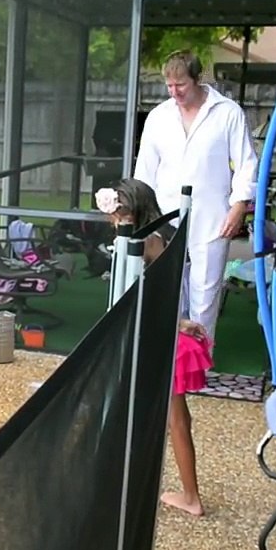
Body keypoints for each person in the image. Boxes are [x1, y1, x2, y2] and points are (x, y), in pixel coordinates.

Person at [96, 180, 211, 517]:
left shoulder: (143, 242)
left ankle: (190, 497)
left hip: (155, 338)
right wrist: (180, 322)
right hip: (163, 333)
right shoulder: (157, 236)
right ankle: (184, 492)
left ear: (136, 211)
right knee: (174, 418)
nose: (117, 221)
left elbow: (154, 296)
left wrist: (176, 324)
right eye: (116, 214)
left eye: (122, 214)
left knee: (171, 418)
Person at [133, 50, 258, 341]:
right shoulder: (158, 117)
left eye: (181, 85)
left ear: (197, 79)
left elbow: (246, 164)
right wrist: (142, 215)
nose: (174, 92)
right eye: (169, 85)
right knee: (167, 292)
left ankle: (200, 358)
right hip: (164, 218)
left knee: (205, 296)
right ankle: (169, 358)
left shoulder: (228, 113)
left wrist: (238, 206)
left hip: (212, 218)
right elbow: (145, 170)